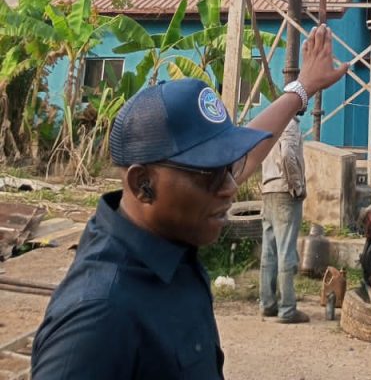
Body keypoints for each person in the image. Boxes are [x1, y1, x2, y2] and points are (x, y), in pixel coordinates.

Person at [31, 25, 347, 380]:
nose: (230, 186)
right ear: (142, 184)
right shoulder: (98, 316)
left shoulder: (168, 237)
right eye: (208, 172)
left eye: (228, 167)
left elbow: (248, 156)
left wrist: (302, 88)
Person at [259, 114, 307, 323]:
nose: (306, 104)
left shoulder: (272, 120)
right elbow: (287, 153)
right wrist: (296, 185)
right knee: (286, 252)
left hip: (268, 189)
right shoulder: (290, 122)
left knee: (268, 253)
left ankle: (267, 304)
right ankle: (287, 309)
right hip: (284, 191)